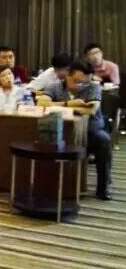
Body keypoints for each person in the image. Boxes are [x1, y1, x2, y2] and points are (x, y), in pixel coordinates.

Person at [38, 61, 112, 200]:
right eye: (78, 81)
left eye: (85, 82)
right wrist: (68, 104)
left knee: (104, 140)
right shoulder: (54, 87)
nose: (82, 85)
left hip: (90, 130)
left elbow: (91, 110)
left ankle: (103, 187)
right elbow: (41, 103)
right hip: (61, 131)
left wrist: (56, 106)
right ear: (67, 76)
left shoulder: (94, 87)